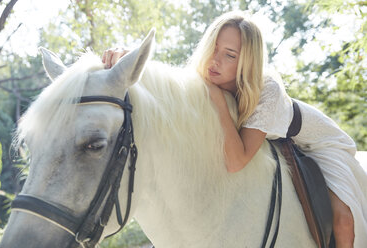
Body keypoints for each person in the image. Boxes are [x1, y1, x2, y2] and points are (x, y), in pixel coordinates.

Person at [102, 11, 367, 248]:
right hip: (276, 139)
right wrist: (131, 59)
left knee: (343, 220)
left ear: (247, 61)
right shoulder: (205, 76)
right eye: (213, 49)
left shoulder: (267, 89)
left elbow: (236, 161)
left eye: (229, 55)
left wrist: (217, 101)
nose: (215, 61)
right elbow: (166, 89)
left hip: (317, 140)